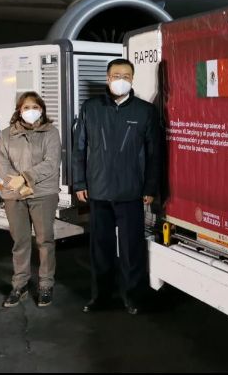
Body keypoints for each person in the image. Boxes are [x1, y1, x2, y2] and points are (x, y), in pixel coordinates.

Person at [73, 58, 161, 315]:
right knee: (100, 248)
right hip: (98, 191)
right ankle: (100, 297)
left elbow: (154, 153)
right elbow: (79, 149)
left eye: (125, 75)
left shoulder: (145, 111)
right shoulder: (91, 107)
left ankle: (132, 297)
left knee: (132, 249)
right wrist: (79, 182)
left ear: (132, 79)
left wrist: (150, 188)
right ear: (107, 78)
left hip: (131, 192)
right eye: (115, 75)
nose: (120, 79)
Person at [0, 91, 62, 308]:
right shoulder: (6, 135)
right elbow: (2, 164)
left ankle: (45, 284)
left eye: (35, 107)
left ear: (41, 109)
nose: (30, 111)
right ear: (19, 110)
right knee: (20, 241)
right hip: (14, 196)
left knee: (44, 240)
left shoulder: (51, 132)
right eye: (26, 107)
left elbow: (51, 163)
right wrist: (16, 185)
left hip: (43, 193)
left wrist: (25, 179)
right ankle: (20, 284)